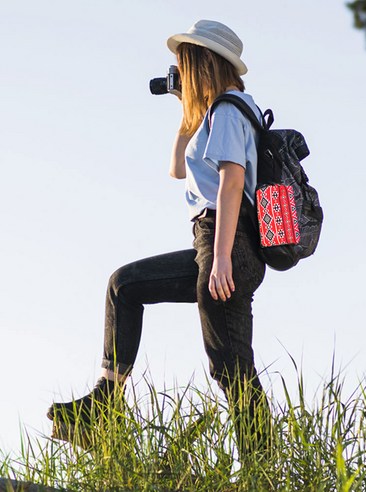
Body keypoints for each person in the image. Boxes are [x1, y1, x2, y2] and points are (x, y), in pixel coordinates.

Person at [47, 19, 270, 460]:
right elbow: (177, 168)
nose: (178, 74)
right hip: (214, 242)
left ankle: (263, 467)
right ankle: (104, 405)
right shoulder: (217, 112)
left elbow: (231, 183)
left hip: (226, 241)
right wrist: (185, 109)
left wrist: (222, 258)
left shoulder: (228, 110)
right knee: (124, 285)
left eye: (183, 66)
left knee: (231, 366)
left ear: (202, 63)